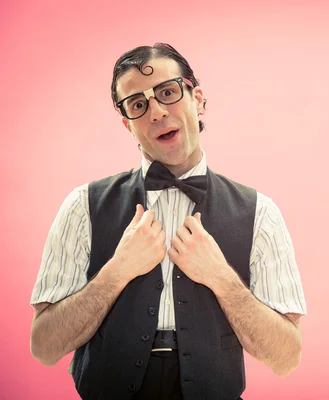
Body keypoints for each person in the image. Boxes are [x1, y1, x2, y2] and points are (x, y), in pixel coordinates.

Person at [29, 43, 307, 400]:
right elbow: (44, 346)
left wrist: (222, 279)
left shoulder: (261, 214)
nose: (157, 112)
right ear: (127, 124)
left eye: (168, 92)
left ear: (198, 99)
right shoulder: (81, 206)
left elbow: (286, 358)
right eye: (138, 104)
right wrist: (116, 272)